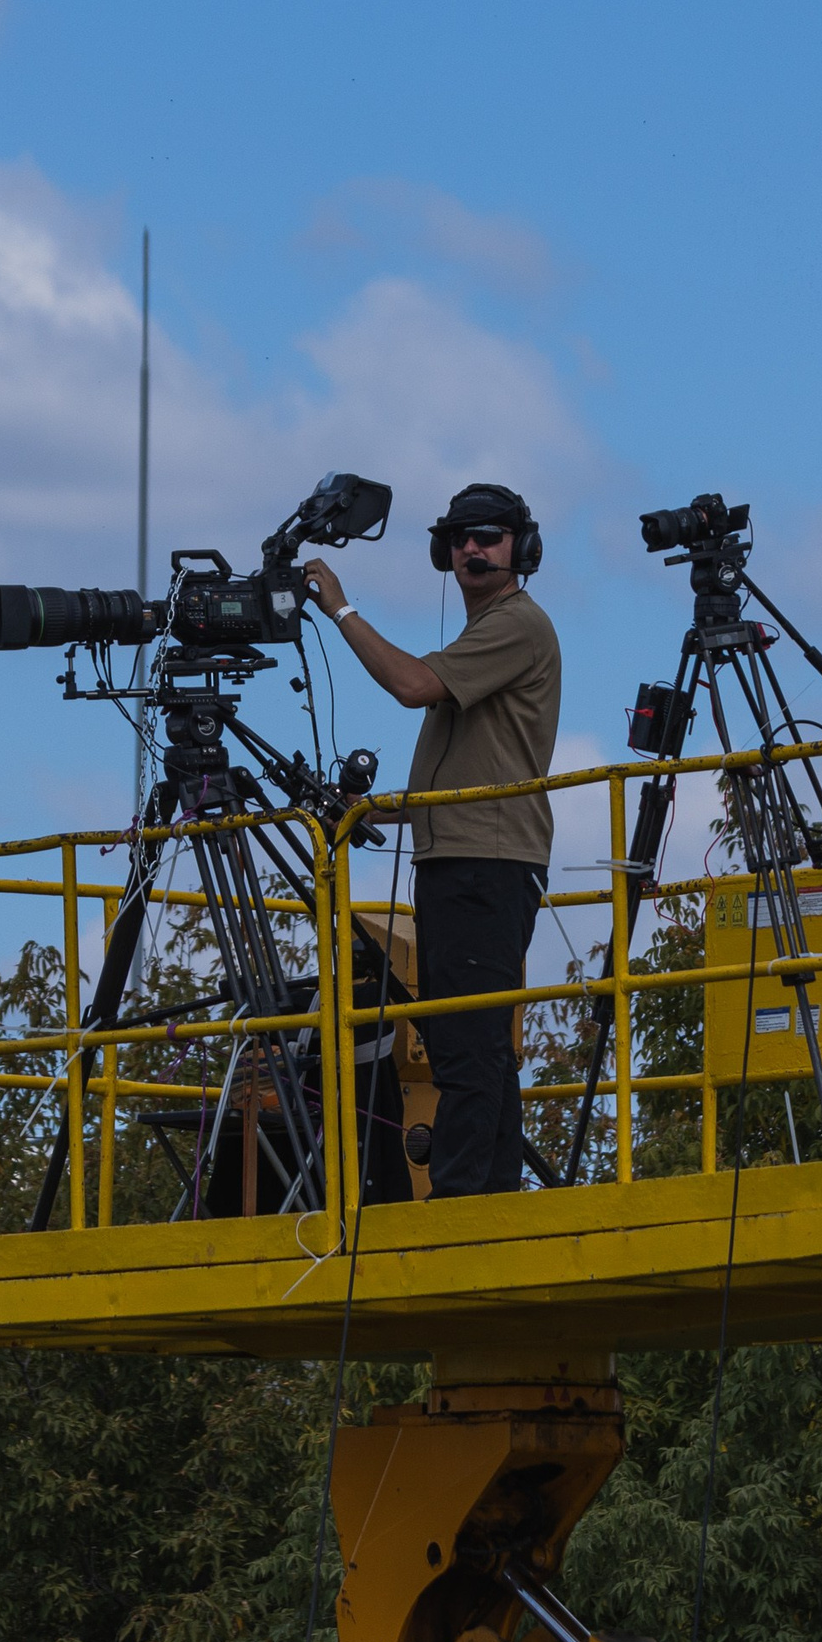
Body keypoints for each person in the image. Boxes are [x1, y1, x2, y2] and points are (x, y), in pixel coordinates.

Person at [302, 483, 562, 1197]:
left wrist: (340, 608)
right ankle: (490, 1199)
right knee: (471, 1046)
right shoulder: (483, 641)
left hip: (485, 866)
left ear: (522, 548)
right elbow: (464, 780)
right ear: (442, 551)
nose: (473, 548)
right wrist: (373, 813)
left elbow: (411, 685)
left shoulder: (517, 625)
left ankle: (459, 1202)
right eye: (460, 537)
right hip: (463, 860)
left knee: (466, 1047)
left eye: (489, 535)